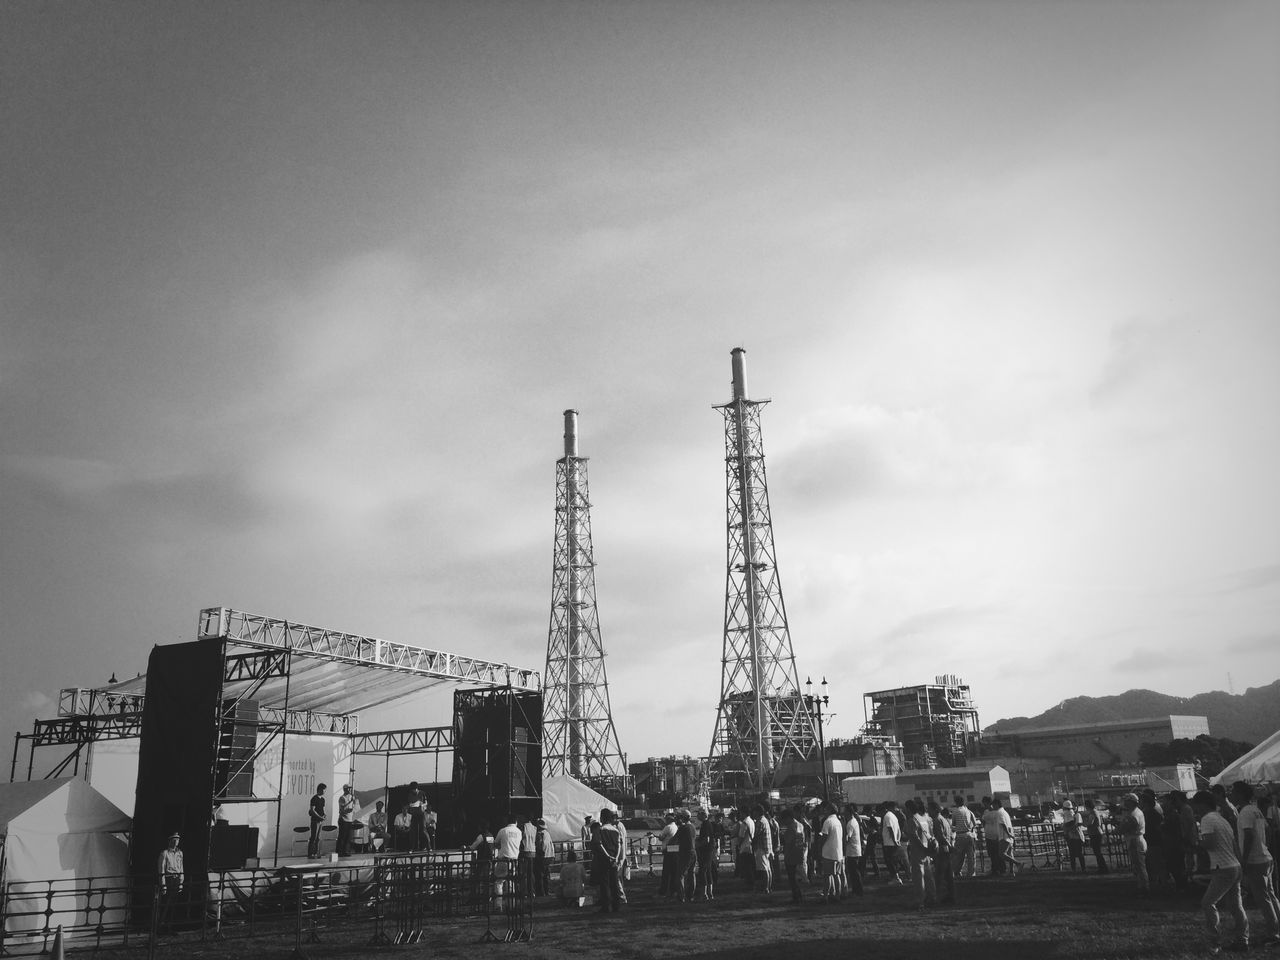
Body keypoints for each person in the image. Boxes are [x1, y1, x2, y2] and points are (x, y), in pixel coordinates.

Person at [1192, 789, 1249, 955]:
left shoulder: (1207, 819)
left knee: (1208, 902)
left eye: (1196, 806)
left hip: (1222, 867)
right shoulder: (1222, 819)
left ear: (1202, 804)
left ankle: (1214, 941)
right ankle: (1242, 939)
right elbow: (1234, 844)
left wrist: (1196, 843)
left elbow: (1209, 843)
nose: (1196, 809)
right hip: (1234, 865)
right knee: (1236, 906)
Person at [1232, 781, 1280, 946]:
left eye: (1233, 792)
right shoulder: (1256, 810)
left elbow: (1249, 835)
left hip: (1255, 859)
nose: (1231, 794)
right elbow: (1267, 830)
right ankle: (1276, 927)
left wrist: (1244, 859)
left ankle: (1273, 933)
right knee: (1271, 895)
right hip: (1266, 856)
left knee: (1263, 898)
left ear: (1239, 794)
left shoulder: (1245, 812)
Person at [906, 800, 937, 908]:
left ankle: (920, 901)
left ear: (909, 809)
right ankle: (932, 897)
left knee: (919, 878)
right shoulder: (924, 819)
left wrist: (922, 847)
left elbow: (914, 837)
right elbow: (930, 833)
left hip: (917, 851)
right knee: (929, 876)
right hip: (927, 851)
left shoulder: (912, 820)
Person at [593, 808, 624, 914]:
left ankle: (606, 906)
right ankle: (616, 906)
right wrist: (615, 857)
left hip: (604, 860)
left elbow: (598, 844)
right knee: (614, 883)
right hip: (614, 860)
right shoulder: (616, 830)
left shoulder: (600, 830)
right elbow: (619, 844)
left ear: (602, 817)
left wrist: (607, 856)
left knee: (605, 883)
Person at [1118, 793, 1149, 893]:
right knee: (1138, 866)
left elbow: (1123, 828)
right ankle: (1142, 886)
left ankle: (1144, 888)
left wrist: (1119, 826)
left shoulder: (1133, 815)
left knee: (1140, 867)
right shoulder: (1135, 812)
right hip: (1136, 839)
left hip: (1135, 841)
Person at [928, 801, 956, 904]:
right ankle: (951, 896)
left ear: (935, 810)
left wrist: (949, 845)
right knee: (948, 876)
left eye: (929, 809)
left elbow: (940, 836)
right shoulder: (944, 819)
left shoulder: (936, 820)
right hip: (946, 850)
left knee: (939, 876)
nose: (928, 811)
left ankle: (937, 898)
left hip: (941, 850)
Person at [778, 809, 807, 903]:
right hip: (799, 853)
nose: (784, 822)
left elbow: (788, 841)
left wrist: (782, 836)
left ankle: (796, 897)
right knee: (796, 877)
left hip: (791, 854)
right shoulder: (800, 825)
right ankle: (798, 896)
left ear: (788, 818)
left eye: (784, 820)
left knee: (792, 878)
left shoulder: (791, 828)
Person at [156, 832, 184, 928]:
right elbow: (161, 869)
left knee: (174, 903)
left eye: (178, 839)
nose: (176, 841)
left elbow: (181, 867)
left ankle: (170, 925)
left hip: (176, 879)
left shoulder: (180, 853)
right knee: (166, 903)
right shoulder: (164, 853)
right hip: (168, 879)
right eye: (174, 839)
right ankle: (161, 925)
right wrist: (163, 885)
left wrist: (181, 882)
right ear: (170, 841)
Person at [817, 802, 843, 903]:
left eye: (826, 809)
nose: (824, 811)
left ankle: (826, 896)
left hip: (829, 852)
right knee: (836, 875)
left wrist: (819, 847)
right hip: (838, 852)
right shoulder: (838, 821)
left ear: (829, 810)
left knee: (827, 876)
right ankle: (837, 895)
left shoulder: (827, 821)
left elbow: (824, 836)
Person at [949, 796, 977, 878]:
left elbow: (953, 824)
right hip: (969, 834)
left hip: (960, 835)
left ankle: (957, 871)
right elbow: (974, 823)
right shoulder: (968, 811)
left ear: (956, 802)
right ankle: (971, 873)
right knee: (971, 856)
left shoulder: (955, 811)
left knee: (958, 855)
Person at [674, 809, 698, 902]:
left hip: (686, 853)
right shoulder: (693, 827)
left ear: (683, 817)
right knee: (692, 874)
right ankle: (691, 895)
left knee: (680, 875)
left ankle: (681, 896)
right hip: (693, 852)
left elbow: (674, 839)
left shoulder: (683, 828)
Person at [881, 801, 907, 884]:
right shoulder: (894, 816)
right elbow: (898, 829)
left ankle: (895, 878)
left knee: (890, 861)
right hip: (894, 842)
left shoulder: (887, 816)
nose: (897, 809)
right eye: (896, 807)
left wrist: (895, 840)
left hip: (889, 843)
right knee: (894, 861)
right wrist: (897, 839)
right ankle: (897, 877)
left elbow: (890, 829)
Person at [1082, 799, 1109, 873]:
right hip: (1096, 833)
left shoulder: (1092, 812)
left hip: (1095, 833)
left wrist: (1083, 823)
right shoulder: (1095, 811)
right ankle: (1102, 868)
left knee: (1097, 852)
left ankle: (1103, 868)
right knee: (1097, 852)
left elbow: (1090, 823)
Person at [843, 804, 864, 897]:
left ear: (848, 812)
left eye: (845, 812)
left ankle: (858, 890)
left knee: (854, 872)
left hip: (852, 851)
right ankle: (857, 889)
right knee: (854, 872)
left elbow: (848, 837)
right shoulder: (854, 821)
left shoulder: (850, 823)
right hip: (854, 850)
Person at [751, 804, 773, 894]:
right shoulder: (765, 820)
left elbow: (755, 834)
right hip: (767, 847)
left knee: (764, 869)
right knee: (768, 869)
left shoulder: (759, 821)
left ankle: (766, 888)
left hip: (761, 847)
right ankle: (768, 887)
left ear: (757, 812)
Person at [1060, 800, 1087, 872]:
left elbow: (1078, 824)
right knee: (1072, 854)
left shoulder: (1077, 815)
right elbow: (1065, 825)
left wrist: (1068, 829)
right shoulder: (1067, 815)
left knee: (1079, 853)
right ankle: (1073, 869)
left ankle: (1083, 868)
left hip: (1077, 836)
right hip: (1070, 836)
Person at [657, 812, 679, 898]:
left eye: (666, 819)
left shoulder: (667, 827)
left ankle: (663, 891)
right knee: (674, 872)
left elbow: (661, 838)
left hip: (667, 850)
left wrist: (658, 836)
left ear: (669, 819)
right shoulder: (676, 827)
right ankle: (673, 890)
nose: (665, 820)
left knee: (666, 872)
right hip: (675, 850)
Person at [534, 818, 553, 896]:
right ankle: (547, 891)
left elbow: (540, 845)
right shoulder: (547, 833)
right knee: (546, 875)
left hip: (543, 856)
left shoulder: (539, 834)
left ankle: (541, 892)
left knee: (539, 875)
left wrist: (539, 852)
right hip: (549, 856)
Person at [307, 783, 327, 858]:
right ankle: (310, 853)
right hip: (315, 820)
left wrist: (324, 815)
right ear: (320, 790)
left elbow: (322, 809)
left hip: (321, 820)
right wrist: (319, 817)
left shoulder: (323, 799)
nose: (325, 791)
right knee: (313, 837)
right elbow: (312, 810)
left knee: (318, 838)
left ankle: (316, 853)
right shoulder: (314, 798)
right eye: (324, 790)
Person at [337, 784, 356, 856]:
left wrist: (352, 803)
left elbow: (353, 807)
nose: (350, 790)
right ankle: (340, 851)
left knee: (348, 836)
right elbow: (341, 810)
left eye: (350, 788)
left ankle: (346, 851)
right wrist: (348, 810)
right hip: (343, 819)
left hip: (349, 819)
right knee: (342, 836)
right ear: (345, 789)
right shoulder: (342, 798)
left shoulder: (351, 797)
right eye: (348, 788)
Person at [407, 781, 424, 850]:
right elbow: (410, 804)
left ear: (417, 788)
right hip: (413, 814)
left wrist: (421, 804)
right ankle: (412, 848)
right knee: (413, 831)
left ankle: (426, 846)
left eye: (414, 789)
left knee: (422, 831)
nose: (413, 791)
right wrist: (416, 803)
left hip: (421, 814)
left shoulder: (422, 793)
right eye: (412, 790)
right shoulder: (410, 795)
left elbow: (425, 803)